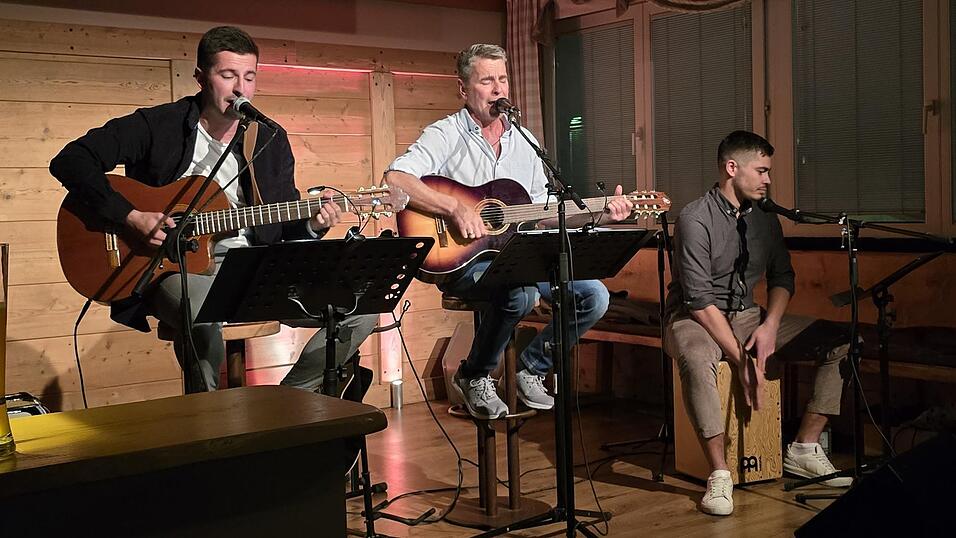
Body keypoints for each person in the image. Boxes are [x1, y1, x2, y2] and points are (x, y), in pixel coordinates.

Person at [50, 26, 377, 394]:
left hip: (255, 268)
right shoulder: (158, 126)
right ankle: (209, 426)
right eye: (228, 75)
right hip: (173, 267)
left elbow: (282, 231)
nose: (241, 89)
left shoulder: (269, 138)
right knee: (202, 315)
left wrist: (313, 226)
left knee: (362, 307)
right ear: (201, 78)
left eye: (249, 77)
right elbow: (71, 161)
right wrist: (132, 216)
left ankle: (288, 403)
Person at [384, 44, 632, 419]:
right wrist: (454, 206)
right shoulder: (445, 134)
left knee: (593, 295)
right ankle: (475, 375)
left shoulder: (525, 142)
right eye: (487, 80)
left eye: (503, 78)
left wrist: (601, 215)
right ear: (464, 90)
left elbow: (544, 213)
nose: (499, 88)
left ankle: (532, 368)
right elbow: (396, 178)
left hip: (520, 254)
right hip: (462, 259)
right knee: (518, 292)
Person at [664, 130, 852, 516]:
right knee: (699, 358)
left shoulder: (765, 217)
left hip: (747, 313)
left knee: (842, 341)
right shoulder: (695, 218)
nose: (768, 179)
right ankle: (719, 473)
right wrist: (742, 359)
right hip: (693, 315)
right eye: (762, 170)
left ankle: (803, 446)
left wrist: (769, 327)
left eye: (769, 171)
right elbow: (699, 301)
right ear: (732, 169)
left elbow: (783, 278)